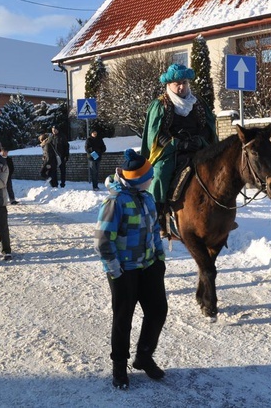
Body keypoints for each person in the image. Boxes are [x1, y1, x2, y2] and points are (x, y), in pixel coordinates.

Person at [94, 148, 168, 390]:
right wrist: (115, 269)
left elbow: (155, 228)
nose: (152, 179)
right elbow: (103, 240)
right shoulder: (115, 202)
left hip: (148, 266)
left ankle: (144, 356)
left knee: (158, 310)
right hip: (124, 270)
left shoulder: (146, 197)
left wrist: (159, 258)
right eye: (149, 176)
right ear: (138, 178)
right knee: (123, 318)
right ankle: (119, 365)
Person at [140, 63, 217, 226]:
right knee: (160, 173)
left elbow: (207, 127)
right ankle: (158, 214)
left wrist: (199, 140)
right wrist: (176, 143)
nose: (182, 87)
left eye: (184, 83)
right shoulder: (160, 105)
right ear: (169, 85)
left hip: (197, 147)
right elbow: (155, 134)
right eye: (177, 84)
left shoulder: (199, 104)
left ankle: (221, 210)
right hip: (171, 150)